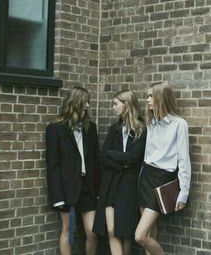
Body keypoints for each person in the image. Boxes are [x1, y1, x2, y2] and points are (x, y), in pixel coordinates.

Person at [135, 81, 191, 255]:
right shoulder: (151, 123)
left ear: (161, 97)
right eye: (147, 96)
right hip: (145, 177)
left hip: (162, 180)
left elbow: (184, 160)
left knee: (140, 236)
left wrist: (184, 193)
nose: (148, 100)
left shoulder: (179, 124)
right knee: (151, 232)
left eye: (151, 96)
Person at [46, 86, 100, 255]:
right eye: (86, 102)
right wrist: (57, 196)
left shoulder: (90, 128)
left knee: (92, 232)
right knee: (67, 231)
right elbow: (53, 165)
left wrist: (98, 190)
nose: (88, 106)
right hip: (67, 188)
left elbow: (96, 161)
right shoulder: (56, 128)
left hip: (87, 187)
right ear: (76, 102)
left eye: (89, 102)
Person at [93, 90, 147, 255]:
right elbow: (102, 156)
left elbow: (133, 157)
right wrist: (120, 164)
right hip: (110, 183)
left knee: (125, 232)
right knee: (111, 229)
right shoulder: (114, 128)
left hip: (129, 185)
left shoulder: (141, 130)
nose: (113, 107)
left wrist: (113, 156)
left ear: (127, 104)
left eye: (116, 103)